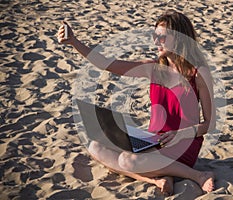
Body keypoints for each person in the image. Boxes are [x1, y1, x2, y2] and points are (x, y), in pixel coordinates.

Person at [57, 9, 216, 196]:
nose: (156, 41)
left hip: (184, 144)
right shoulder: (153, 68)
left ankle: (198, 175)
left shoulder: (199, 73)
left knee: (126, 161)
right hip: (153, 141)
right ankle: (157, 179)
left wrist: (180, 134)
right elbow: (106, 64)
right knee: (95, 147)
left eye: (162, 37)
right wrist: (74, 42)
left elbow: (209, 123)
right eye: (154, 36)